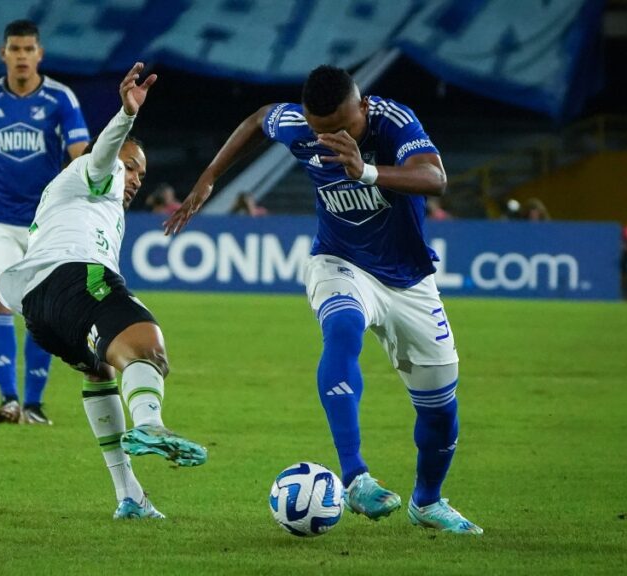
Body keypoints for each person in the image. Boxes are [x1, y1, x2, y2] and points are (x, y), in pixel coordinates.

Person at [166, 65, 482, 535]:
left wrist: (368, 170)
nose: (330, 139)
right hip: (339, 261)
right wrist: (209, 176)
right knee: (341, 328)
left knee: (440, 409)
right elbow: (258, 118)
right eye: (321, 131)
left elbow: (435, 179)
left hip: (408, 279)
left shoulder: (393, 121)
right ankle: (355, 477)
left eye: (342, 129)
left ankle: (428, 502)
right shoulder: (300, 125)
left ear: (363, 107)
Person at [0, 63, 207, 519]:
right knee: (148, 347)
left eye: (140, 175)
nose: (133, 178)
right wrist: (126, 115)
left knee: (101, 372)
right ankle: (150, 424)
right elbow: (103, 155)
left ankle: (129, 494)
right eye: (132, 168)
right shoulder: (95, 172)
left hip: (40, 310)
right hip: (72, 277)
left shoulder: (95, 206)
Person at [0, 19, 91, 425]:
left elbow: (80, 153)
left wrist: (88, 195)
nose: (21, 56)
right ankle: (9, 400)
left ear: (40, 54)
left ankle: (33, 405)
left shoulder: (60, 99)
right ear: (3, 53)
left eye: (28, 49)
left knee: (40, 309)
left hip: (45, 220)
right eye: (14, 49)